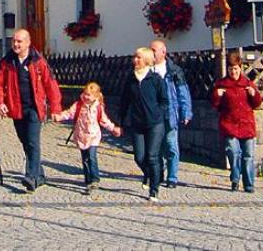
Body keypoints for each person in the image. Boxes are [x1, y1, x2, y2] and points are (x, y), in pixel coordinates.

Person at [0, 28, 63, 192]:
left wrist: (56, 108)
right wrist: (0, 102)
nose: (15, 44)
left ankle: (30, 177)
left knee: (32, 142)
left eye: (19, 41)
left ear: (28, 43)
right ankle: (40, 175)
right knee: (26, 142)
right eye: (14, 41)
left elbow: (50, 84)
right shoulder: (7, 61)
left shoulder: (38, 61)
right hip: (17, 109)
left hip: (34, 109)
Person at [116, 45, 170, 201]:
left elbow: (164, 100)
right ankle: (150, 173)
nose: (135, 60)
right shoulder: (130, 79)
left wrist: (158, 113)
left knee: (153, 156)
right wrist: (120, 121)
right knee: (139, 157)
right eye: (135, 57)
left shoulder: (155, 79)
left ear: (146, 60)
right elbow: (124, 101)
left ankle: (154, 189)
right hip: (137, 123)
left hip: (155, 124)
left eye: (138, 57)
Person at [210, 50, 263, 192]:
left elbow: (257, 103)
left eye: (235, 69)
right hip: (229, 125)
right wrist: (217, 95)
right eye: (231, 69)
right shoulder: (222, 84)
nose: (233, 72)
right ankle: (234, 179)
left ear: (240, 68)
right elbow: (215, 105)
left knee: (248, 156)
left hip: (247, 125)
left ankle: (249, 184)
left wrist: (254, 94)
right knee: (233, 153)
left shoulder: (248, 84)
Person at [54, 81, 120, 193]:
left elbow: (104, 121)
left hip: (93, 136)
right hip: (81, 135)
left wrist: (113, 128)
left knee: (91, 157)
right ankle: (87, 179)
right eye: (85, 94)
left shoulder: (98, 107)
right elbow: (69, 113)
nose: (86, 96)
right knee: (85, 159)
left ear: (95, 96)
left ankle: (95, 179)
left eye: (89, 95)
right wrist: (60, 117)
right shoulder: (79, 105)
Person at [151, 38, 192, 188]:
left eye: (154, 50)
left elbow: (182, 92)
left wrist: (186, 112)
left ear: (163, 52)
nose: (152, 53)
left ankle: (172, 177)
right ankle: (159, 173)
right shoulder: (148, 70)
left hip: (170, 113)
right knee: (157, 147)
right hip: (154, 115)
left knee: (171, 145)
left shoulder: (174, 70)